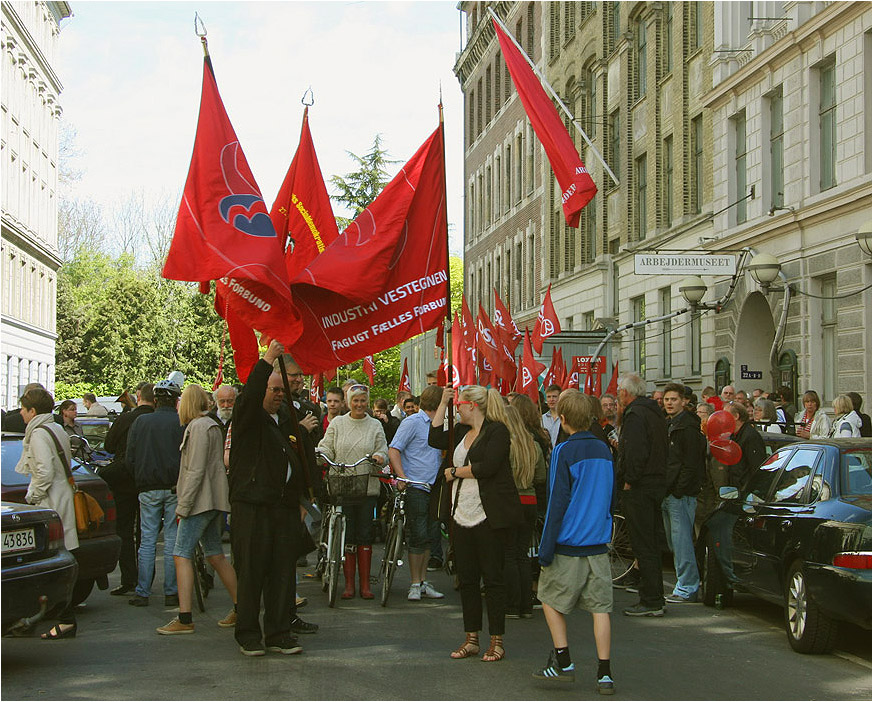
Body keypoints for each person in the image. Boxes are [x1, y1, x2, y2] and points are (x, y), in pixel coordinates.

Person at [429, 385, 522, 663]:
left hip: (488, 515)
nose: (457, 407)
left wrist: (455, 472)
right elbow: (434, 438)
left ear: (473, 405)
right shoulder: (459, 432)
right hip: (461, 514)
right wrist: (443, 403)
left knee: (492, 579)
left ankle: (497, 640)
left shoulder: (497, 431)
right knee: (467, 579)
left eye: (459, 403)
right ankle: (471, 638)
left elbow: (489, 466)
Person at [531, 390, 615, 693]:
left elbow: (557, 502)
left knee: (549, 598)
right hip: (597, 541)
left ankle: (563, 660)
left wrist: (546, 548)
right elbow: (610, 495)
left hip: (569, 541)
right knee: (601, 608)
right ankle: (605, 673)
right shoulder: (605, 450)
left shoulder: (563, 451)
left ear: (562, 419)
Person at [229, 341, 307, 656]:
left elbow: (299, 460)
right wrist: (268, 359)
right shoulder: (248, 418)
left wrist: (303, 498)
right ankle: (248, 634)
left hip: (283, 509)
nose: (277, 394)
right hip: (252, 508)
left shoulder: (285, 420)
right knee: (251, 572)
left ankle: (279, 633)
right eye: (272, 389)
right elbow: (249, 397)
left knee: (282, 572)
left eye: (281, 390)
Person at [157, 385, 238, 635]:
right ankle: (242, 605)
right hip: (213, 501)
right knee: (215, 553)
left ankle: (184, 616)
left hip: (200, 502)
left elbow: (195, 471)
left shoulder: (199, 427)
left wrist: (183, 506)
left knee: (180, 553)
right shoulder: (210, 425)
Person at [14, 387, 80, 639]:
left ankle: (64, 619)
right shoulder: (55, 428)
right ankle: (62, 618)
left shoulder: (39, 434)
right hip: (61, 499)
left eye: (23, 408)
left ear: (33, 411)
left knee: (48, 566)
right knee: (60, 563)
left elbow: (43, 472)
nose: (21, 413)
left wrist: (30, 498)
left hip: (49, 503)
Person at [317, 383, 388, 600]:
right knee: (347, 535)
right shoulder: (337, 423)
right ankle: (348, 584)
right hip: (343, 483)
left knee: (365, 534)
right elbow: (327, 445)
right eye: (355, 400)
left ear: (367, 402)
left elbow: (382, 448)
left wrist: (379, 457)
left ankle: (365, 584)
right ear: (348, 402)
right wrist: (322, 454)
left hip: (366, 485)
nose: (359, 404)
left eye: (362, 400)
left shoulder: (375, 425)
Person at [126, 379, 185, 607]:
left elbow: (130, 457)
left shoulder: (141, 422)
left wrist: (140, 477)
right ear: (175, 400)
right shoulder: (181, 422)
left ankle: (143, 592)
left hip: (147, 487)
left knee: (147, 540)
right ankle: (171, 592)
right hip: (174, 488)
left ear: (156, 400)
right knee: (172, 540)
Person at [616, 373, 668, 617]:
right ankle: (653, 596)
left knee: (643, 544)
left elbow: (635, 452)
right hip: (654, 485)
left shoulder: (635, 416)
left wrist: (629, 481)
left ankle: (651, 599)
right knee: (651, 544)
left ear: (626, 393)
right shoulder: (653, 413)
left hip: (640, 488)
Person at [387, 384, 445, 601]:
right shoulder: (412, 422)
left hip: (433, 485)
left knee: (429, 534)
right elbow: (394, 449)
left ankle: (422, 581)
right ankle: (413, 582)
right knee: (418, 534)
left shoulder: (438, 425)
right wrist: (401, 476)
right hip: (416, 485)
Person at [707, 402, 767, 590]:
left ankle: (734, 576)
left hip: (745, 499)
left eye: (726, 416)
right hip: (736, 495)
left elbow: (756, 469)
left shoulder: (750, 437)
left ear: (736, 417)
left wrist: (747, 493)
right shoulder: (736, 436)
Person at [102, 382, 155, 596]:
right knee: (147, 532)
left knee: (124, 530)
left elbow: (108, 446)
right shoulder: (157, 418)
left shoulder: (125, 419)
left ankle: (129, 578)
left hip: (124, 481)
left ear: (138, 395)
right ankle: (146, 579)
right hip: (148, 480)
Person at [661, 383, 705, 604]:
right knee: (674, 543)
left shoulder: (687, 428)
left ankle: (687, 586)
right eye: (667, 399)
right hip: (669, 492)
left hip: (680, 494)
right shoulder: (670, 424)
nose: (669, 403)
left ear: (684, 401)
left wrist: (678, 490)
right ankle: (684, 584)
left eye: (674, 399)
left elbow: (690, 463)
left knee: (682, 542)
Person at [502, 405, 546, 618]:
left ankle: (512, 604)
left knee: (509, 553)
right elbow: (541, 477)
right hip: (530, 500)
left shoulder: (505, 445)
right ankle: (526, 605)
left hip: (510, 500)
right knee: (522, 553)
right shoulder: (533, 444)